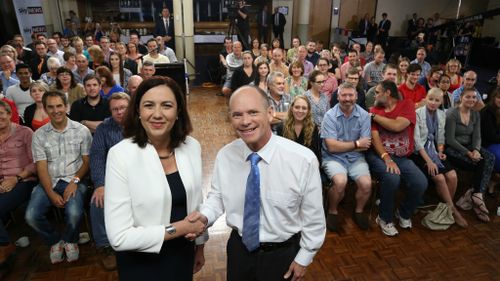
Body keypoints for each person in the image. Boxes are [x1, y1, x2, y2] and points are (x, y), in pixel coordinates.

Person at [193, 85, 326, 281]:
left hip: (282, 255)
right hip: (239, 251)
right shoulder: (226, 155)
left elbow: (313, 218)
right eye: (237, 115)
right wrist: (205, 216)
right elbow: (218, 197)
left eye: (253, 112)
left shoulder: (303, 160)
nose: (245, 121)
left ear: (270, 113)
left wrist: (304, 258)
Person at [104, 76, 207, 281]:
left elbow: (196, 204)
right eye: (149, 105)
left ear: (178, 112)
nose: (157, 114)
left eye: (167, 105)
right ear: (137, 112)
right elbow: (119, 237)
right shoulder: (121, 155)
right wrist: (181, 228)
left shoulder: (192, 146)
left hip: (183, 254)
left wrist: (200, 246)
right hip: (142, 263)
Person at [25, 91, 92, 263]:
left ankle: (70, 240)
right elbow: (41, 167)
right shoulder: (39, 135)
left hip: (75, 179)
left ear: (66, 106)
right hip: (50, 180)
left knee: (75, 213)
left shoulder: (81, 130)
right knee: (31, 216)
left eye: (59, 106)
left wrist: (75, 181)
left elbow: (87, 162)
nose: (56, 111)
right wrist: (51, 193)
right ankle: (55, 240)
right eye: (51, 107)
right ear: (46, 109)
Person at [366, 80, 427, 236]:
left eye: (378, 92)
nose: (375, 94)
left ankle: (404, 212)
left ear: (388, 93)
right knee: (392, 178)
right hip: (379, 156)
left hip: (402, 157)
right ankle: (384, 218)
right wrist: (386, 158)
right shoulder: (374, 109)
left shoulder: (406, 105)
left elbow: (397, 126)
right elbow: (375, 138)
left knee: (420, 182)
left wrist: (373, 116)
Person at [412, 88, 467, 227]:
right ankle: (453, 210)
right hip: (420, 153)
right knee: (440, 178)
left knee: (453, 176)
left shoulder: (442, 114)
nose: (433, 103)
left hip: (434, 151)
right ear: (426, 98)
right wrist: (429, 161)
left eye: (437, 100)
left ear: (441, 102)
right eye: (431, 99)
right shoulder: (417, 114)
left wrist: (440, 151)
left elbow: (441, 138)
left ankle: (444, 207)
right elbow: (417, 142)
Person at [321, 82, 372, 232]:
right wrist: (356, 143)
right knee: (340, 181)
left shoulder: (363, 115)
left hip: (356, 158)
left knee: (366, 184)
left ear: (356, 96)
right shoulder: (330, 116)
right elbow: (331, 147)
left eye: (351, 95)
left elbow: (366, 145)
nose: (347, 98)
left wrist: (344, 144)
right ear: (338, 97)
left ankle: (359, 211)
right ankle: (332, 211)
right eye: (344, 95)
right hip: (333, 157)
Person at [88, 92, 130, 271]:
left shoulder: (142, 123)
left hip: (140, 175)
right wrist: (100, 184)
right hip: (113, 179)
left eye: (123, 108)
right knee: (97, 202)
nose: (119, 112)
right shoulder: (104, 128)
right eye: (115, 109)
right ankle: (105, 245)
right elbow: (96, 157)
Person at [445, 88, 495, 222]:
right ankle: (476, 199)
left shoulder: (475, 114)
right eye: (468, 97)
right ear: (461, 98)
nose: (471, 100)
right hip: (453, 149)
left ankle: (475, 194)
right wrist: (468, 153)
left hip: (470, 146)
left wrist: (477, 150)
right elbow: (450, 140)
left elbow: (477, 136)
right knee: (481, 163)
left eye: (474, 97)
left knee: (490, 157)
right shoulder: (452, 113)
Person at [0, 100, 37, 265]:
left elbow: (36, 162)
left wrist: (16, 179)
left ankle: (5, 246)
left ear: (9, 114)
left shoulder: (25, 132)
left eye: (1, 114)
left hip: (23, 180)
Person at [278, 95, 321, 160]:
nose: (300, 111)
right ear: (292, 108)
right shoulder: (281, 127)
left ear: (308, 110)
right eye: (297, 107)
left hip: (306, 165)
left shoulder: (313, 127)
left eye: (304, 108)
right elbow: (280, 153)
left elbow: (315, 154)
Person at [481, 87, 500, 196]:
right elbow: (491, 136)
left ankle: (492, 182)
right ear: (494, 98)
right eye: (499, 98)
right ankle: (491, 183)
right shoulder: (487, 111)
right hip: (487, 144)